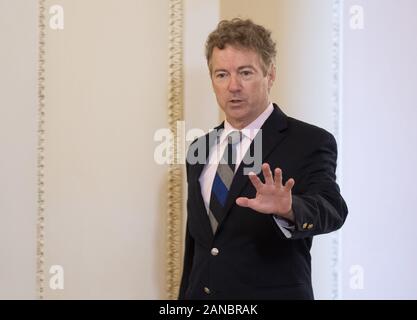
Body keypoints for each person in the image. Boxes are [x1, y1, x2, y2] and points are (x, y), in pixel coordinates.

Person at [179, 18, 348, 300]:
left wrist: (290, 207)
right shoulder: (199, 147)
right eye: (221, 74)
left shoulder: (310, 141)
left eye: (245, 73)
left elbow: (333, 210)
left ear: (270, 75)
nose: (233, 86)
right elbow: (197, 243)